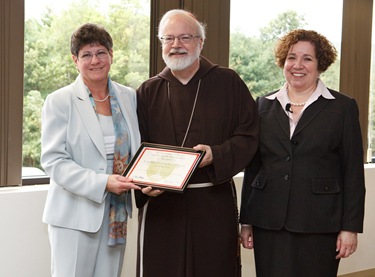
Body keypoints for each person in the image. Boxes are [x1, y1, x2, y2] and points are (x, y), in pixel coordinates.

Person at [135, 9, 259, 277]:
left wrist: (217, 154)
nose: (176, 45)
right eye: (168, 39)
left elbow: (250, 135)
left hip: (212, 202)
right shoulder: (148, 91)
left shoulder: (228, 82)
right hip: (162, 206)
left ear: (200, 42)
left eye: (185, 37)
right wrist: (144, 184)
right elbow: (137, 146)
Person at [240, 29, 366, 277]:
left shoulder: (343, 107)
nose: (298, 65)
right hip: (268, 220)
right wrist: (246, 220)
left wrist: (350, 227)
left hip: (320, 222)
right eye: (291, 57)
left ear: (320, 64)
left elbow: (352, 171)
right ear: (283, 62)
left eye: (307, 58)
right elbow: (253, 167)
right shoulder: (262, 105)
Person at [41, 23, 141, 277]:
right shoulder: (60, 101)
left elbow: (136, 151)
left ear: (111, 55)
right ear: (75, 60)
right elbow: (54, 161)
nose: (95, 60)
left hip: (115, 215)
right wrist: (102, 182)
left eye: (101, 53)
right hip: (73, 217)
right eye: (86, 54)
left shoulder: (128, 96)